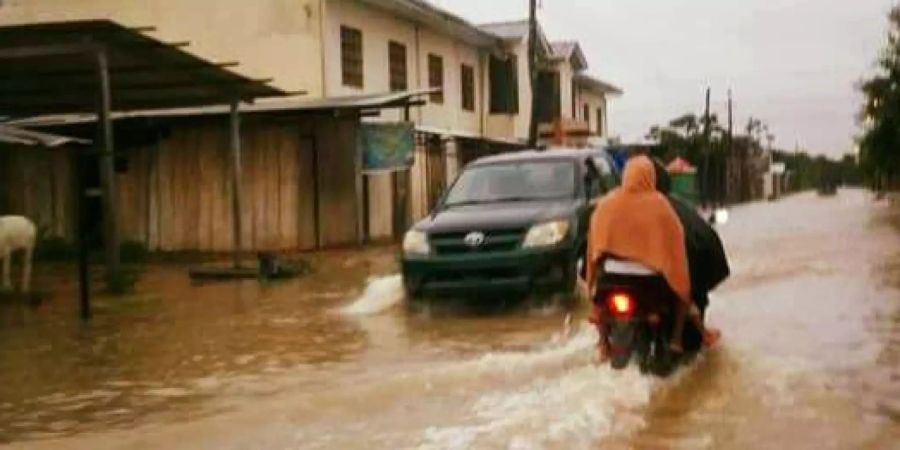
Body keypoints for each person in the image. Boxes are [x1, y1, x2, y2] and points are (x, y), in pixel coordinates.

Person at [586, 155, 719, 361]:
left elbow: (593, 250)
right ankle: (676, 340)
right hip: (650, 285)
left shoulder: (605, 204)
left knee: (599, 305)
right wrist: (681, 286)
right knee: (683, 296)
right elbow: (676, 252)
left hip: (610, 281)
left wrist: (592, 283)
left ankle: (604, 345)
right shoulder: (660, 205)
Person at [651, 158, 729, 351]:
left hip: (629, 282)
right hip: (673, 282)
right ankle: (688, 338)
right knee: (688, 293)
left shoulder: (616, 208)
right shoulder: (682, 212)